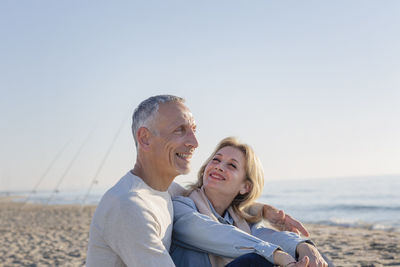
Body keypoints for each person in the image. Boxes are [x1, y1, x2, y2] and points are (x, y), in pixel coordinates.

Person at [86, 95, 311, 267]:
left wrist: (265, 211)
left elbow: (216, 200)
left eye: (193, 130)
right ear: (145, 138)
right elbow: (210, 227)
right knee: (256, 262)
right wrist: (274, 254)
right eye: (180, 130)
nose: (194, 142)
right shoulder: (130, 206)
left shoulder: (165, 191)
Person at [171, 137, 331, 267]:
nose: (219, 167)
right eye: (216, 160)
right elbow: (216, 233)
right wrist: (277, 255)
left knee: (316, 259)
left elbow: (267, 236)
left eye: (231, 165)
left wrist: (303, 247)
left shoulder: (240, 221)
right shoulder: (182, 207)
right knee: (256, 261)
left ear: (245, 187)